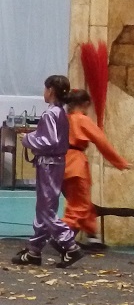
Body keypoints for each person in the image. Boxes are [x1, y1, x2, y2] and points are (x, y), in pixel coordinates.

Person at [11, 75, 84, 268]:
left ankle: (69, 245)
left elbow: (49, 141)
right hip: (55, 163)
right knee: (44, 206)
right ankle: (34, 250)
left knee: (46, 209)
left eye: (45, 89)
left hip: (48, 164)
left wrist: (28, 140)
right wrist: (33, 135)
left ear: (50, 90)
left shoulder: (50, 114)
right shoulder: (59, 112)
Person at [61, 89, 132, 251]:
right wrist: (120, 162)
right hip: (76, 164)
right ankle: (61, 236)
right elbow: (101, 142)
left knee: (83, 202)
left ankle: (93, 238)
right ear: (86, 104)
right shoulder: (82, 120)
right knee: (79, 206)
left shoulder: (64, 119)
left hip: (63, 164)